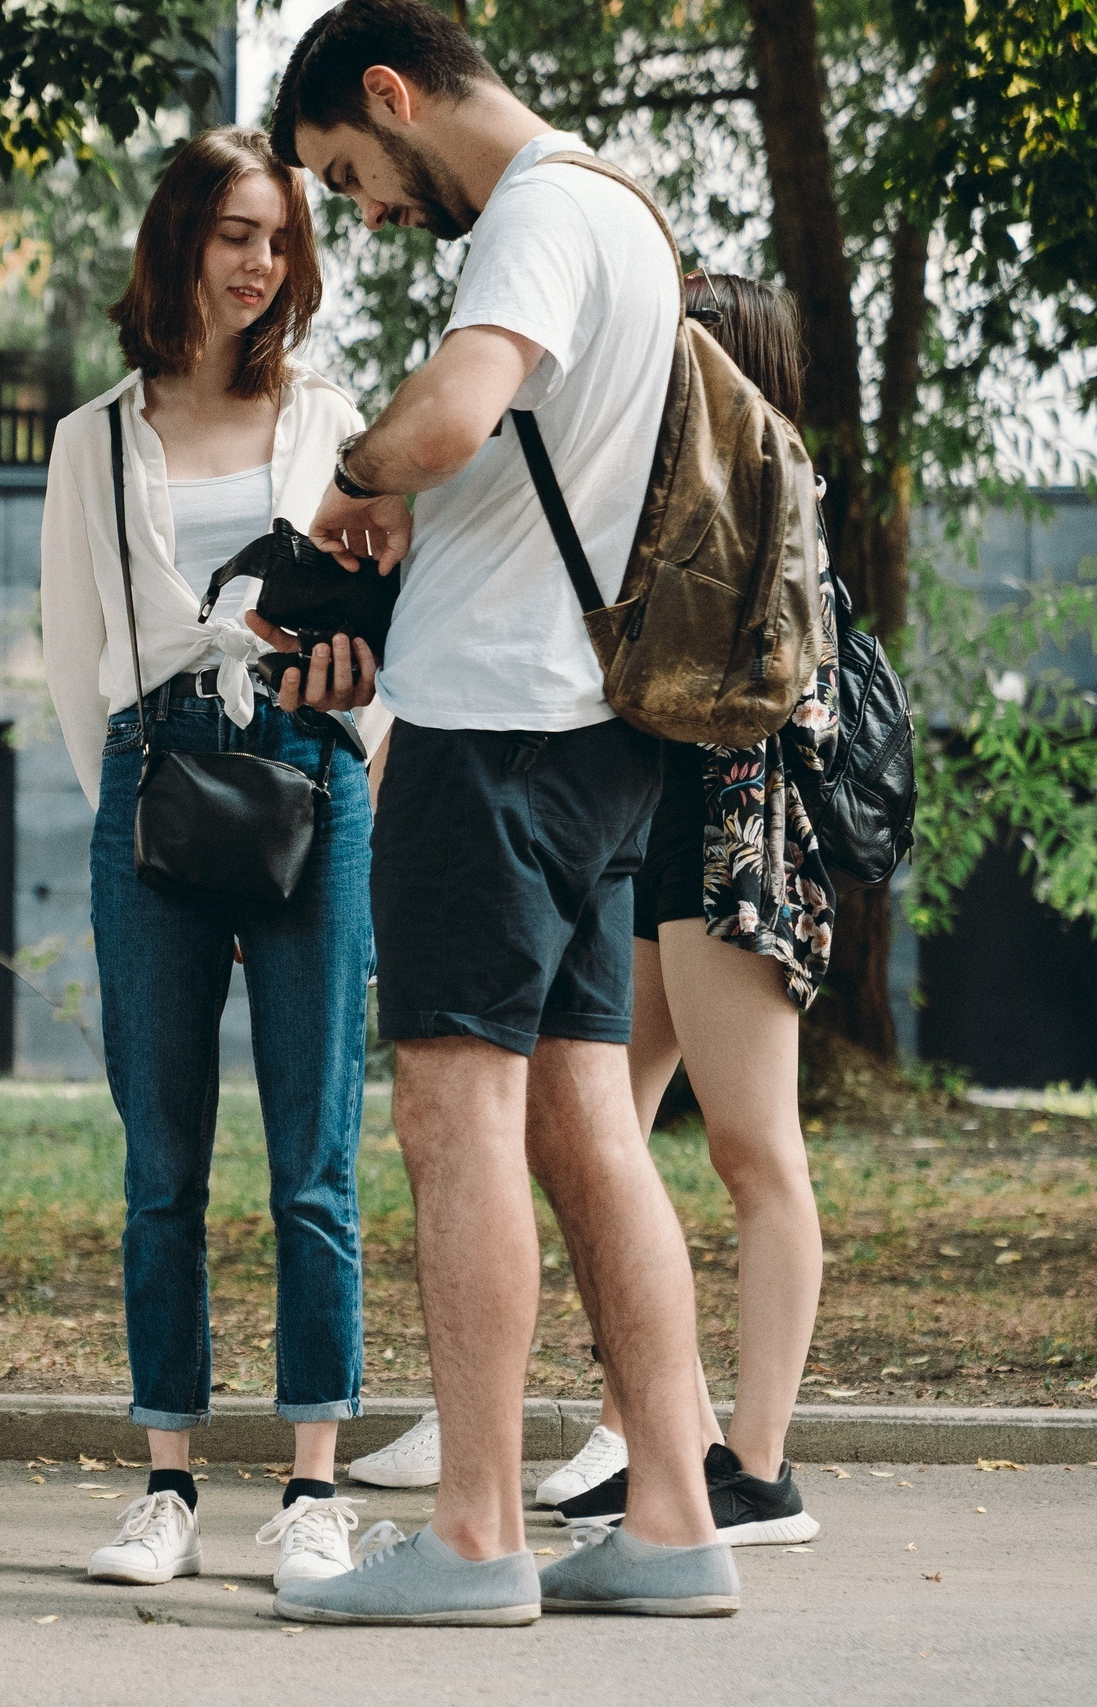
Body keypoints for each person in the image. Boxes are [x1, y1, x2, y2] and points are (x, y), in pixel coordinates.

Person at [266, 0, 738, 1623]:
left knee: (452, 1119)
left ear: (393, 95)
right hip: (602, 736)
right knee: (588, 1125)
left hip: (497, 744)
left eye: (352, 168)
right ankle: (674, 1516)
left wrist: (353, 477)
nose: (372, 209)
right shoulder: (628, 212)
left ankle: (474, 1534)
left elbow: (454, 417)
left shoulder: (534, 212)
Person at [41, 125, 380, 1595]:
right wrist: (135, 796)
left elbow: (382, 632)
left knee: (313, 1153)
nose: (263, 263)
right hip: (154, 785)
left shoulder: (337, 418)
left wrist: (354, 730)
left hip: (315, 778)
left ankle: (313, 1488)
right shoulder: (92, 437)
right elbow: (75, 662)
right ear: (179, 240)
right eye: (238, 232)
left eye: (282, 238)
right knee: (160, 1155)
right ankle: (165, 1476)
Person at [551, 274, 837, 1547]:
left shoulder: (776, 485)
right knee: (596, 1141)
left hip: (741, 836)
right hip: (664, 833)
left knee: (752, 1150)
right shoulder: (678, 488)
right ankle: (660, 1441)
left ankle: (758, 1470)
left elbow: (780, 683)